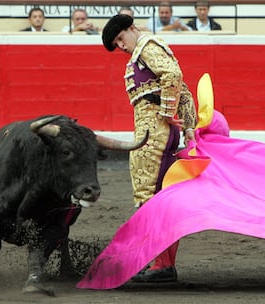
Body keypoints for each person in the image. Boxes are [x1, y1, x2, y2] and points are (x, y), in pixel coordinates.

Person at [102, 14, 197, 283]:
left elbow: (174, 75)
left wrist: (167, 114)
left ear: (132, 28)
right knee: (162, 196)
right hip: (158, 130)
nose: (121, 45)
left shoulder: (147, 47)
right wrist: (187, 127)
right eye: (116, 43)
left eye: (121, 38)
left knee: (149, 195)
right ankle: (161, 263)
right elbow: (185, 93)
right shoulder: (142, 53)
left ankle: (160, 265)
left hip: (152, 133)